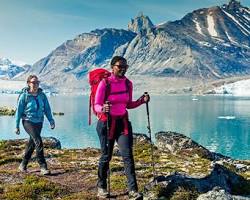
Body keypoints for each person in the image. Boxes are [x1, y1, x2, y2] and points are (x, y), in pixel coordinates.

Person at [95, 56, 150, 199]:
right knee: (106, 156)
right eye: (120, 66)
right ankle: (101, 187)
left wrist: (141, 101)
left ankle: (133, 190)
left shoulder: (128, 84)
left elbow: (128, 104)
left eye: (125, 66)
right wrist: (103, 108)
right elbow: (96, 105)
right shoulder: (105, 83)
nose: (123, 68)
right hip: (106, 123)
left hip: (122, 123)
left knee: (128, 156)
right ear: (112, 67)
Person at [15, 75, 55, 175]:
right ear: (28, 83)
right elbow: (18, 111)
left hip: (39, 122)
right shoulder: (24, 96)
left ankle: (23, 164)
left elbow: (47, 109)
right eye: (33, 82)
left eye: (37, 82)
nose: (36, 84)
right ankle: (43, 166)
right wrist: (16, 126)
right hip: (27, 121)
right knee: (38, 142)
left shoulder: (42, 95)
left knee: (32, 143)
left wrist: (51, 120)